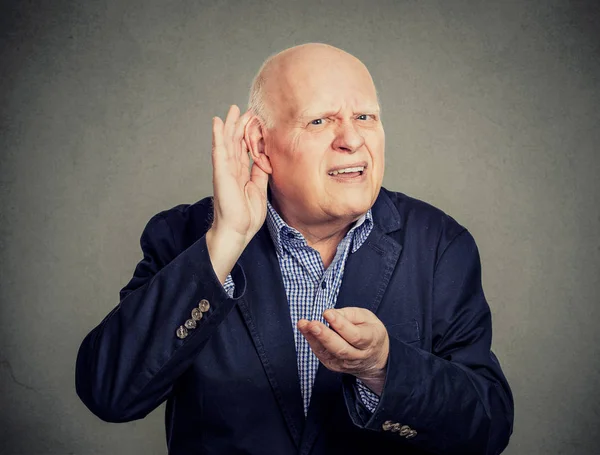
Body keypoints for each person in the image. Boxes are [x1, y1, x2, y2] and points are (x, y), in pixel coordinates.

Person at [76, 43, 514, 454]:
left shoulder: (440, 245)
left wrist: (384, 367)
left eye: (365, 117)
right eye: (319, 121)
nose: (352, 139)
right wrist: (225, 241)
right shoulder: (185, 236)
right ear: (259, 142)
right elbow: (109, 393)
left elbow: (488, 426)